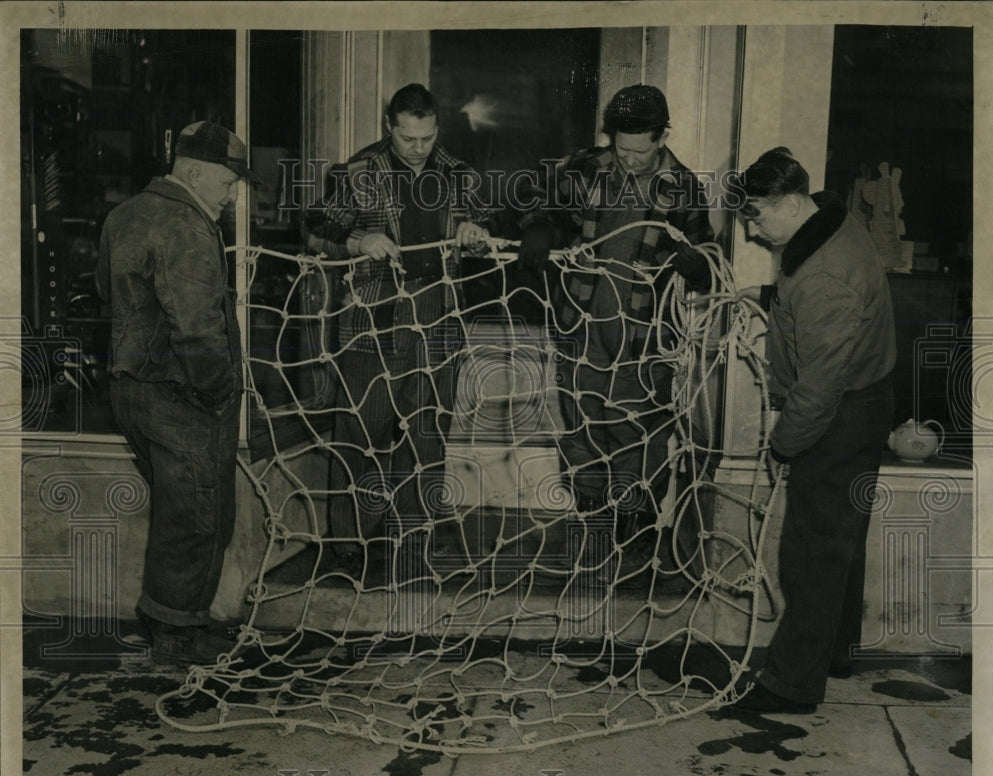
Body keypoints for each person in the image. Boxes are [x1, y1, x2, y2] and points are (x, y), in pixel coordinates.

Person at [515, 84, 715, 570]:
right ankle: (591, 530)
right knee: (583, 431)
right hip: (581, 330)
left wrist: (695, 263)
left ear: (662, 136)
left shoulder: (685, 187)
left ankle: (636, 537)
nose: (627, 159)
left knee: (638, 437)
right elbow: (534, 205)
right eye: (620, 148)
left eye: (639, 151)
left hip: (646, 339)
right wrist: (538, 228)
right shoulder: (583, 168)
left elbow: (709, 257)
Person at [727, 147, 896, 714]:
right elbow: (823, 305)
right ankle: (834, 652)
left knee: (812, 550)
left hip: (841, 414)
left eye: (756, 214)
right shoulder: (826, 222)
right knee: (841, 542)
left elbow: (818, 387)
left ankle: (791, 685)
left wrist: (782, 444)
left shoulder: (827, 275)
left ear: (793, 202)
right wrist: (771, 297)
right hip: (862, 400)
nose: (752, 228)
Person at [97, 121, 260, 666]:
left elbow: (105, 293)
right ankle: (173, 642)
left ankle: (184, 625)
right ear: (193, 172)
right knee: (196, 515)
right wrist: (218, 394)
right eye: (226, 182)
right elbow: (197, 329)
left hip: (131, 390)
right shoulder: (187, 224)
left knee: (179, 509)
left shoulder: (125, 213)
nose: (231, 195)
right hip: (180, 394)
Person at [306, 83, 493, 550]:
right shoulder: (357, 171)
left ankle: (414, 539)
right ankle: (350, 544)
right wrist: (357, 243)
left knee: (426, 436)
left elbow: (491, 227)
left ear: (436, 128)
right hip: (372, 316)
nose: (419, 149)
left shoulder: (458, 174)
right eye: (408, 138)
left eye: (427, 137)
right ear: (390, 128)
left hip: (437, 317)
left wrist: (477, 231)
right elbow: (313, 231)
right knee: (360, 433)